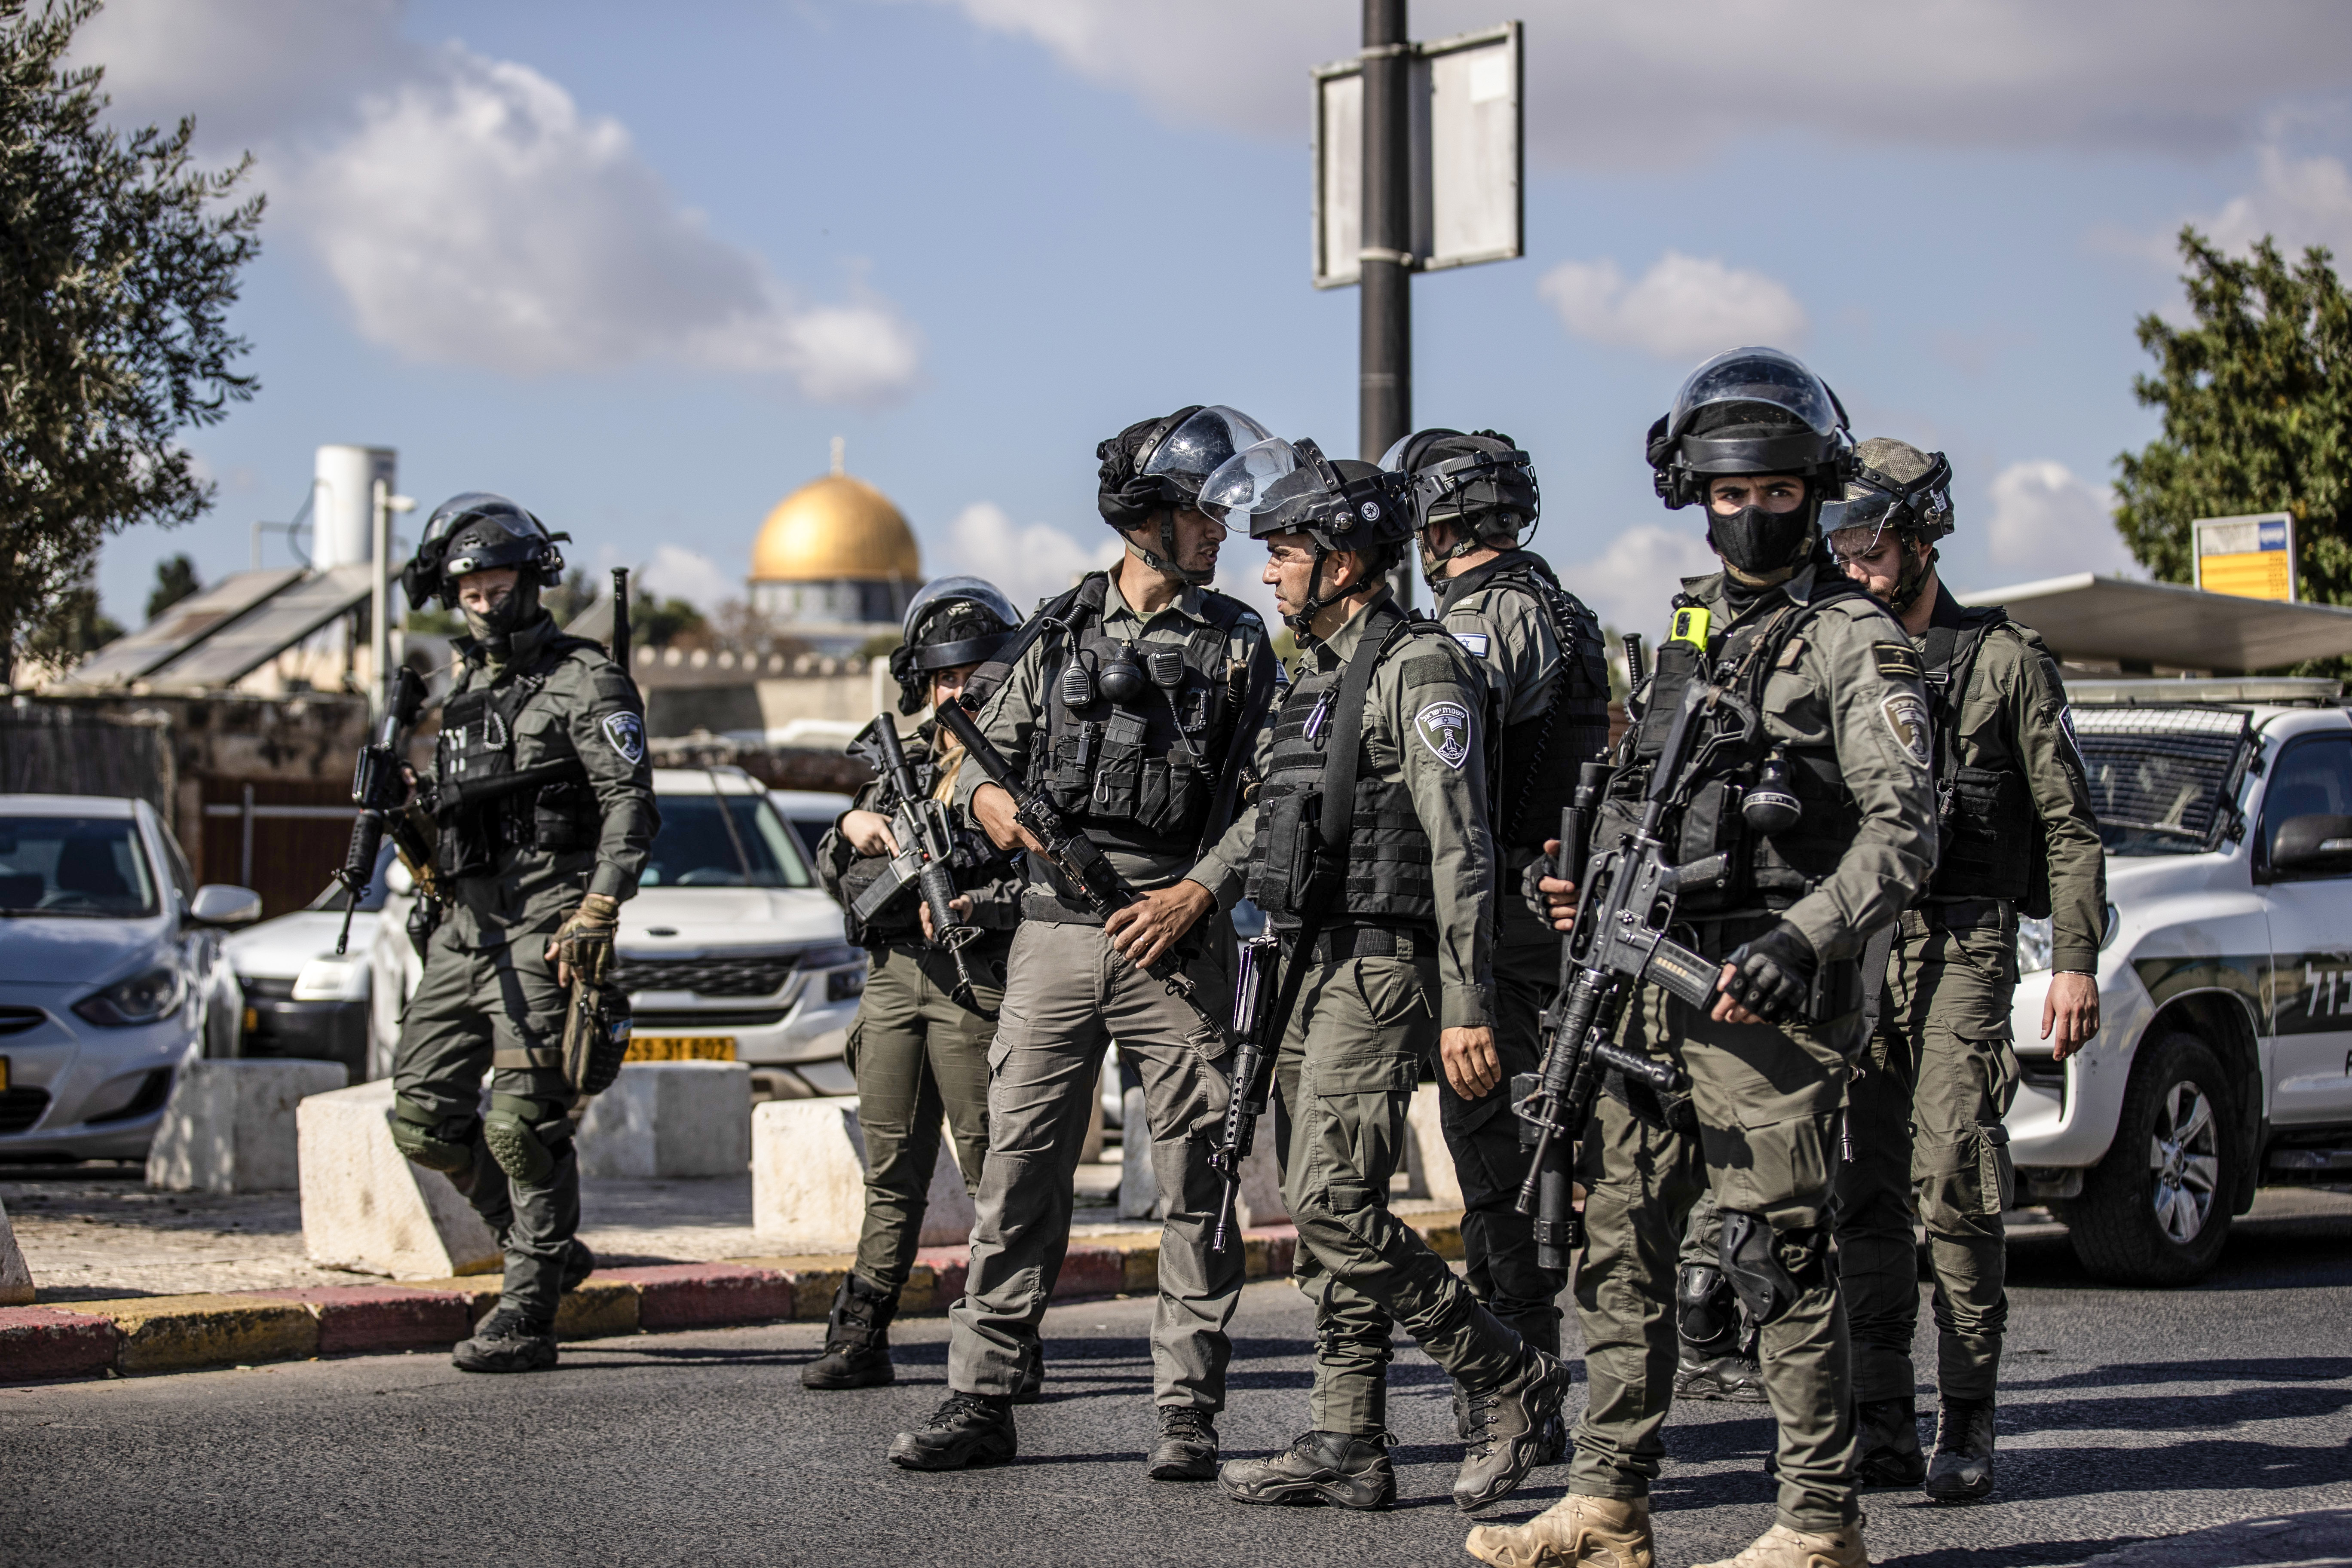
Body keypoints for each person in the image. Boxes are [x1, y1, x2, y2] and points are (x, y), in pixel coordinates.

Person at [1468, 348, 1936, 1568]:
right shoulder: (1688, 625)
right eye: (1730, 494)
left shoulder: (1850, 637)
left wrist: (1805, 936)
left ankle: (1819, 1523)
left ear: (1815, 490)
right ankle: (1608, 1503)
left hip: (1765, 989)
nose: (1753, 514)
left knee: (1776, 1250)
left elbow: (1905, 830)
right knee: (1621, 1242)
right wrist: (1580, 882)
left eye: (1778, 491)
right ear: (1695, 491)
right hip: (1646, 981)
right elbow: (1646, 788)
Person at [885, 405, 1280, 1482]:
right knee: (1019, 1173)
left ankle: (1188, 1411)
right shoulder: (1056, 630)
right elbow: (969, 766)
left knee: (1200, 1177)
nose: (1221, 535)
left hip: (1176, 937)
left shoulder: (1240, 643)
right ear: (1149, 521)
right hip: (1055, 940)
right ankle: (981, 1394)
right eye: (1205, 515)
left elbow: (1272, 798)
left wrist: (1201, 893)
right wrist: (991, 813)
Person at [1197, 435, 1570, 1515]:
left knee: (1327, 1203)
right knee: (1335, 1204)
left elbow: (1462, 847)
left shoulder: (1422, 668)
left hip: (1385, 966)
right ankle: (1347, 1436)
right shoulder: (1316, 678)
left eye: (1285, 551)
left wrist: (1465, 1008)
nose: (1267, 571)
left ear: (1347, 562)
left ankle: (1508, 1374)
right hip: (1311, 965)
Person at [1823, 439, 2104, 1501]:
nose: (1852, 559)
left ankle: (1969, 1418)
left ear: (1921, 536)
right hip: (1857, 950)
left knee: (1953, 1173)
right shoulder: (1830, 653)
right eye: (1841, 540)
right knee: (1861, 1189)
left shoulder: (2004, 661)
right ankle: (1883, 1422)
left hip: (1962, 940)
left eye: (1870, 539)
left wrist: (2074, 962)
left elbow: (2073, 827)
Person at [386, 493, 658, 1374]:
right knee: (423, 1118)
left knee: (519, 1126)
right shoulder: (463, 689)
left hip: (548, 927)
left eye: (493, 574)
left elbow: (630, 806)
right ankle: (539, 1246)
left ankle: (528, 1309)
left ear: (532, 574)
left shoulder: (586, 679)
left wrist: (598, 910)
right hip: (463, 932)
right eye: (464, 579)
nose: (478, 590)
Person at [1380, 428, 1610, 1447]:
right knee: (1554, 1141)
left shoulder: (1483, 622)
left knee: (1495, 1145)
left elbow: (1451, 774)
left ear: (1439, 526)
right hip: (1561, 909)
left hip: (1505, 913)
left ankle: (1520, 1381)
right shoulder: (1571, 610)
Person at [804, 577, 1027, 1392]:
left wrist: (981, 904)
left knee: (993, 1172)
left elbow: (1053, 882)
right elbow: (840, 874)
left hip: (977, 983)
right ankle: (862, 1330)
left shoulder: (1018, 771)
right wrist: (849, 829)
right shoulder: (900, 769)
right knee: (891, 1170)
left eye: (974, 673)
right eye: (943, 677)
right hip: (895, 981)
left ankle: (1006, 1342)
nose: (957, 691)